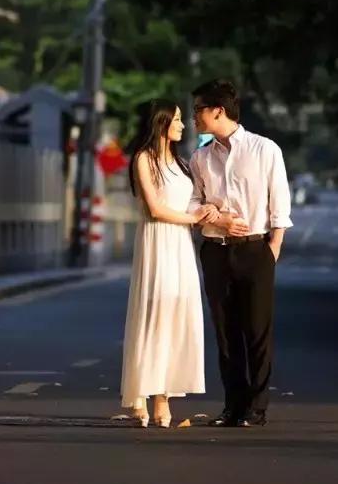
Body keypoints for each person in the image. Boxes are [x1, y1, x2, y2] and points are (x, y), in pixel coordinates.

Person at [119, 99, 236, 428]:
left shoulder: (183, 163)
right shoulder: (144, 159)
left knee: (176, 316)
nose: (183, 125)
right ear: (162, 122)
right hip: (157, 242)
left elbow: (196, 201)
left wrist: (211, 213)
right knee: (153, 315)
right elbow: (155, 209)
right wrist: (192, 217)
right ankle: (144, 391)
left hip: (182, 247)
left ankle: (164, 396)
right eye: (178, 120)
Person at [191, 79, 293, 428]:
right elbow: (194, 201)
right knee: (225, 334)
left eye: (198, 110)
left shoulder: (265, 150)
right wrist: (216, 218)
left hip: (255, 249)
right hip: (215, 252)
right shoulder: (200, 156)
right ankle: (232, 406)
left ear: (217, 111)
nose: (193, 117)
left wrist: (272, 249)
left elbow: (279, 204)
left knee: (257, 332)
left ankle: (256, 408)